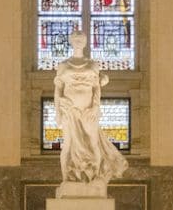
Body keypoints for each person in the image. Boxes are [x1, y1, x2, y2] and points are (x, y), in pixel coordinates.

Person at [54, 30, 127, 184]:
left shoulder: (93, 64)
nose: (79, 40)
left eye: (81, 38)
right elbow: (58, 90)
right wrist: (57, 113)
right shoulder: (63, 65)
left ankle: (94, 177)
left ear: (86, 42)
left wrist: (95, 107)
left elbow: (96, 88)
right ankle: (66, 179)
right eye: (75, 38)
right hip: (69, 110)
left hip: (88, 110)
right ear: (71, 41)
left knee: (93, 142)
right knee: (67, 144)